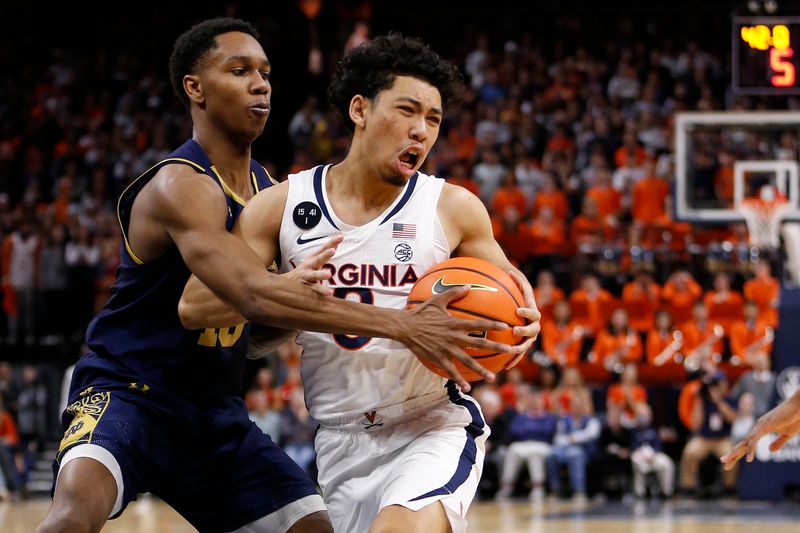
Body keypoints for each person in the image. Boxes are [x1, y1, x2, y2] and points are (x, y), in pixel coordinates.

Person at [36, 19, 516, 533]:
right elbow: (238, 297)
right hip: (130, 392)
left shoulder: (268, 193)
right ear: (194, 88)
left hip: (214, 411)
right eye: (240, 70)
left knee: (311, 529)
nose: (260, 83)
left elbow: (257, 331)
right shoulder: (181, 183)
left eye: (265, 72)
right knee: (74, 515)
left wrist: (301, 306)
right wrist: (396, 321)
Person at [180, 33, 541, 533]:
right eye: (407, 111)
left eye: (433, 120)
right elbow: (195, 307)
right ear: (360, 109)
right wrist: (279, 290)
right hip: (340, 438)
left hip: (431, 422)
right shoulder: (283, 206)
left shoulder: (452, 208)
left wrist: (526, 322)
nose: (420, 131)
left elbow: (511, 300)